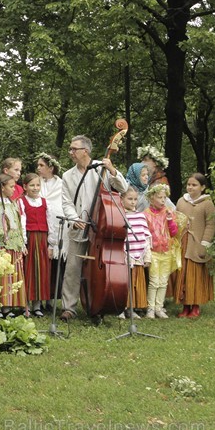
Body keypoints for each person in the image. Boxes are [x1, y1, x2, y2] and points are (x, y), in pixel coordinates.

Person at [59, 135, 128, 321]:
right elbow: (66, 203)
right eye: (70, 149)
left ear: (85, 151)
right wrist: (73, 218)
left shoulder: (101, 167)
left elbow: (123, 188)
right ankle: (69, 307)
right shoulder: (67, 175)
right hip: (78, 228)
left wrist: (112, 170)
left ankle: (98, 306)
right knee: (72, 269)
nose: (71, 152)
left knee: (99, 271)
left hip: (102, 229)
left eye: (74, 149)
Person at [175, 173, 215, 318]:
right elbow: (176, 219)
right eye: (189, 184)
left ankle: (196, 306)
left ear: (203, 187)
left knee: (196, 275)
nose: (190, 187)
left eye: (194, 185)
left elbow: (211, 225)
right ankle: (185, 306)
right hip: (183, 243)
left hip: (197, 244)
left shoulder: (207, 203)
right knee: (184, 274)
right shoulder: (181, 201)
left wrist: (205, 243)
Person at [0, 174, 27, 318]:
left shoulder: (12, 203)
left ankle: (8, 306)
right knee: (1, 277)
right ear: (2, 187)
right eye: (11, 186)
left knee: (12, 276)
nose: (13, 189)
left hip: (13, 245)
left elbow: (17, 223)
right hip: (2, 245)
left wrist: (22, 243)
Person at [143, 184, 181, 319]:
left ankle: (159, 307)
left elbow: (174, 232)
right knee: (154, 281)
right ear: (151, 198)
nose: (163, 200)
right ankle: (150, 309)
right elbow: (144, 233)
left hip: (166, 251)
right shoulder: (146, 214)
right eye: (159, 197)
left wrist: (170, 220)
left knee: (163, 281)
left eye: (164, 197)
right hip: (152, 252)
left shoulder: (168, 212)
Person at [20, 173, 55, 317]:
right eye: (32, 185)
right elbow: (21, 222)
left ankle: (37, 304)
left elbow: (51, 224)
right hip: (30, 237)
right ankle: (26, 304)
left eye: (38, 185)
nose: (35, 188)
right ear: (25, 187)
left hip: (42, 239)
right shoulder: (22, 202)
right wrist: (23, 242)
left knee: (41, 270)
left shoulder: (45, 203)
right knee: (28, 270)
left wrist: (51, 244)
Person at [36, 153, 67, 310]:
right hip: (39, 228)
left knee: (55, 266)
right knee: (40, 263)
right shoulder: (36, 183)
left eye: (41, 165)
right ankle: (38, 298)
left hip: (56, 228)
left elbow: (62, 204)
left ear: (51, 167)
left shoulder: (61, 184)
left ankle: (51, 299)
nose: (38, 168)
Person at [119, 186, 151, 319]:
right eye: (129, 199)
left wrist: (147, 257)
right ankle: (121, 308)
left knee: (134, 285)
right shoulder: (120, 215)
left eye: (135, 199)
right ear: (121, 199)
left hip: (138, 257)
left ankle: (132, 309)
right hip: (125, 255)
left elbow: (146, 237)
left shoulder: (141, 216)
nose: (133, 202)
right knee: (123, 284)